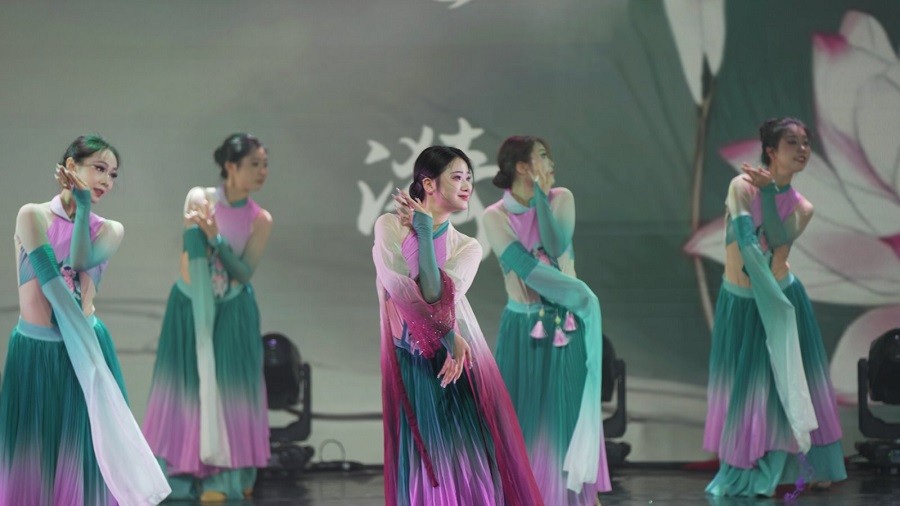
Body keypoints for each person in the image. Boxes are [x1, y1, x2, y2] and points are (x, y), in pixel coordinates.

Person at [0, 135, 170, 505]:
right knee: (35, 450)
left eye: (113, 174)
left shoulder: (110, 229)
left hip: (86, 346)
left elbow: (78, 261)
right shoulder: (32, 215)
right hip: (36, 350)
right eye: (99, 168)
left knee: (82, 451)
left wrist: (82, 207)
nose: (107, 180)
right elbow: (53, 285)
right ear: (70, 166)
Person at [374, 145, 543, 505]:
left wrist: (424, 231)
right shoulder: (389, 226)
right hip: (415, 358)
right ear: (428, 184)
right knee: (426, 464)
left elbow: (435, 296)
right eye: (457, 177)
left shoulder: (467, 247)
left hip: (453, 360)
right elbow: (401, 292)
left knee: (467, 462)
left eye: (469, 177)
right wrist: (450, 335)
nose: (467, 185)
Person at [703, 118, 847, 497]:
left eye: (806, 142)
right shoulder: (741, 186)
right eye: (792, 142)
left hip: (779, 299)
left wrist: (770, 195)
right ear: (770, 150)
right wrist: (762, 192)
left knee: (789, 385)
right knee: (748, 390)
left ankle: (814, 465)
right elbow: (747, 241)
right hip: (741, 302)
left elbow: (778, 240)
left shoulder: (803, 207)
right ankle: (750, 464)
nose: (802, 149)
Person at [142, 133, 273, 502]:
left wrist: (216, 238)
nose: (262, 171)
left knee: (231, 392)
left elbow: (243, 272)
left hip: (234, 310)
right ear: (230, 166)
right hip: (190, 306)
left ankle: (227, 477)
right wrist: (203, 314)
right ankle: (181, 475)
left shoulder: (260, 219)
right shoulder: (200, 198)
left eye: (265, 164)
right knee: (186, 387)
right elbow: (192, 256)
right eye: (254, 164)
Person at [482, 136, 610, 504]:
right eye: (542, 156)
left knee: (565, 416)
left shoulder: (561, 198)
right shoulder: (495, 216)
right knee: (523, 420)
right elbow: (525, 268)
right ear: (522, 166)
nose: (551, 163)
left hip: (566, 327)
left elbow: (555, 246)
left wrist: (541, 195)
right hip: (524, 329)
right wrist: (581, 295)